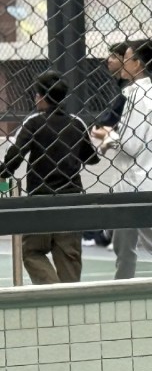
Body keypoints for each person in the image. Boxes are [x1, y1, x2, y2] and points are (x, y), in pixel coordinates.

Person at [91, 38, 152, 279]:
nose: (121, 62)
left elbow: (131, 144)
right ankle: (122, 286)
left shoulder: (139, 97)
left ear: (138, 64)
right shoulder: (141, 93)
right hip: (136, 181)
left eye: (126, 58)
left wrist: (107, 136)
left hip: (138, 183)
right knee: (124, 245)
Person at [0, 71, 99, 284]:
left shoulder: (34, 123)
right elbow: (91, 158)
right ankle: (68, 296)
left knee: (32, 252)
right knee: (70, 258)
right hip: (71, 200)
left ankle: (51, 287)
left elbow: (15, 154)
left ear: (42, 97)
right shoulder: (76, 123)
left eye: (37, 94)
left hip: (40, 199)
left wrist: (3, 173)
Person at [83, 41, 130, 248]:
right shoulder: (122, 87)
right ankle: (105, 235)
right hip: (123, 155)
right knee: (117, 194)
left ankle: (110, 235)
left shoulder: (132, 91)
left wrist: (105, 131)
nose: (107, 60)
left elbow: (115, 119)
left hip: (133, 158)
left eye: (113, 56)